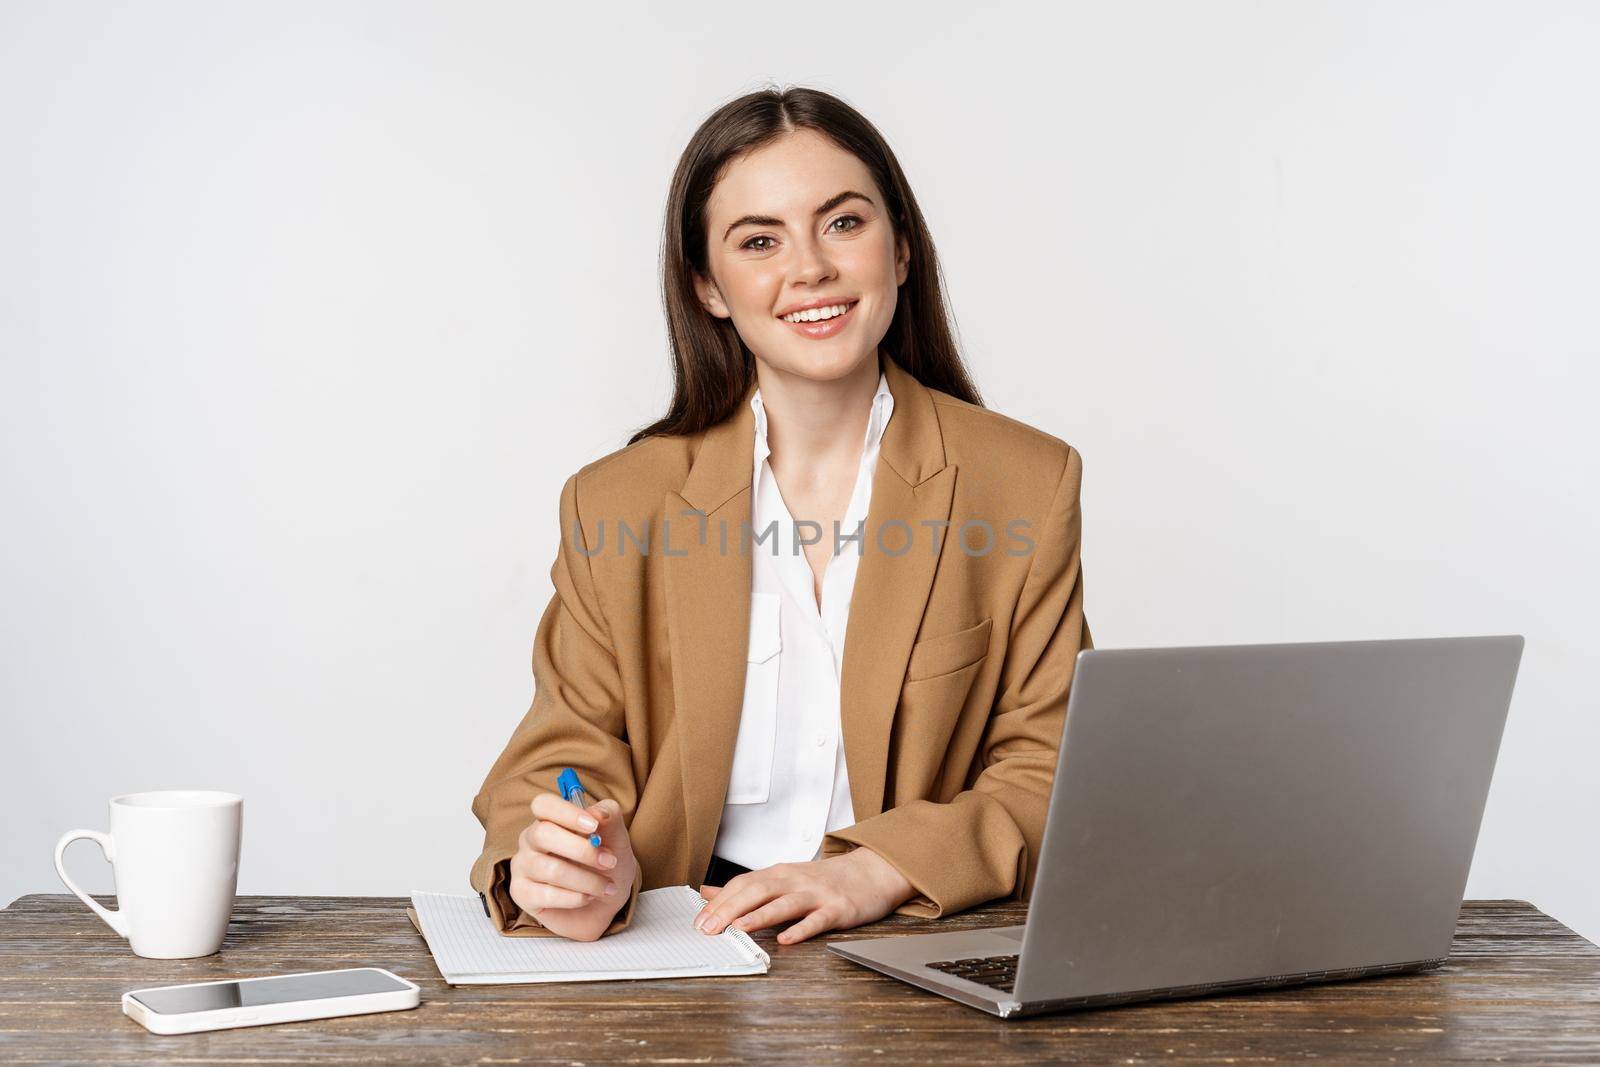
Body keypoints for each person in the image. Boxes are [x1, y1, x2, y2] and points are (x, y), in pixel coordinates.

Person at [469, 85, 1092, 944]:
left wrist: (878, 868)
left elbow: (1053, 761)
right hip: (686, 936)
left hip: (914, 928)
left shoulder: (1025, 481)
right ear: (709, 287)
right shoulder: (617, 501)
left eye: (843, 223)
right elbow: (564, 746)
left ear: (901, 249)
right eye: (759, 240)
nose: (810, 268)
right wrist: (568, 866)